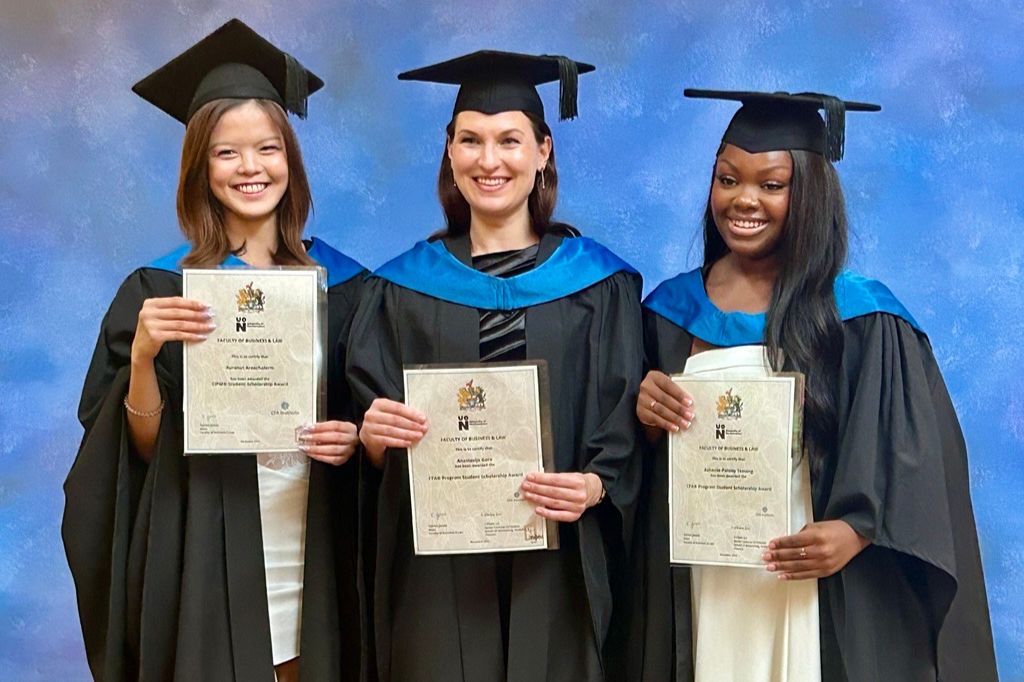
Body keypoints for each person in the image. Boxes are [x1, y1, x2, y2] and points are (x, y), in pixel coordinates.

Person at [629, 90, 997, 681]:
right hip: (701, 575)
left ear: (810, 194)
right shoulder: (666, 312)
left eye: (771, 185)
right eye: (728, 179)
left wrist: (855, 532)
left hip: (807, 574)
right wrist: (643, 419)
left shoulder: (863, 317)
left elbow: (916, 462)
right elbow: (627, 468)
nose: (744, 199)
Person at [62, 19, 366, 681]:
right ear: (201, 166)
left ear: (291, 158)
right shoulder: (156, 289)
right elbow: (131, 457)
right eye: (227, 153)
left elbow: (375, 425)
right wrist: (142, 357)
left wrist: (353, 440)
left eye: (268, 148)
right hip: (203, 551)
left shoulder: (350, 289)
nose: (251, 168)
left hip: (314, 546)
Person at [346, 51, 643, 681]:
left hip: (560, 563)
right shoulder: (400, 288)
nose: (489, 161)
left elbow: (624, 421)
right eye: (471, 141)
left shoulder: (600, 286)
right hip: (438, 575)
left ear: (542, 150)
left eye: (509, 140)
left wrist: (595, 484)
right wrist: (372, 440)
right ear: (448, 151)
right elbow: (365, 436)